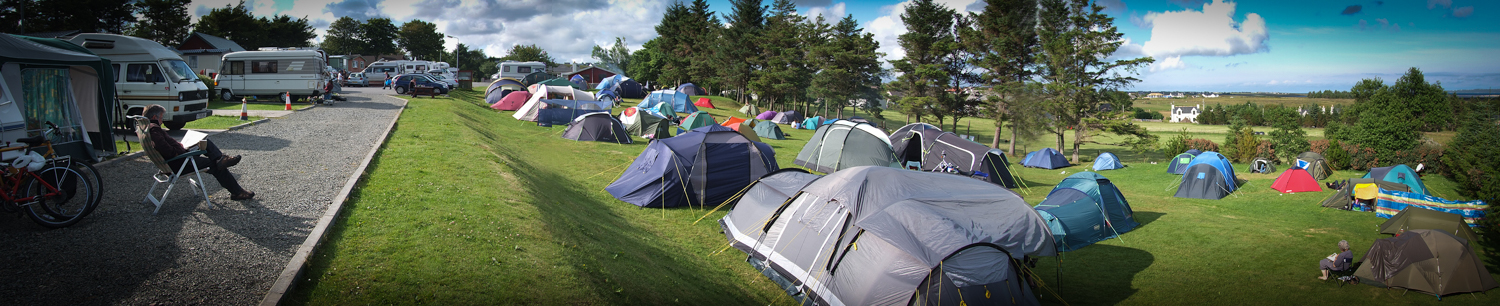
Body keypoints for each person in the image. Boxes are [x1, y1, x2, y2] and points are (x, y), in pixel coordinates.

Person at [144, 104, 254, 200]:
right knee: (215, 166)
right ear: (154, 117)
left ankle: (220, 158)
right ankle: (237, 192)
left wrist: (179, 146)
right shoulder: (154, 129)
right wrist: (178, 151)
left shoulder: (147, 128)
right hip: (180, 162)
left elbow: (163, 146)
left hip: (177, 160)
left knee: (204, 142)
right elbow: (165, 149)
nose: (162, 121)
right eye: (161, 118)